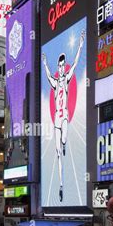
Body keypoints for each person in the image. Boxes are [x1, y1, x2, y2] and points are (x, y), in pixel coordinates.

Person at [42, 30, 85, 202]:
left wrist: (80, 46)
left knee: (65, 140)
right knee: (58, 152)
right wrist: (45, 63)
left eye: (62, 66)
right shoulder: (54, 81)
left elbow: (75, 63)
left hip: (64, 116)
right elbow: (46, 75)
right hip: (56, 121)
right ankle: (60, 185)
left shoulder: (66, 79)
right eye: (58, 66)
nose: (60, 69)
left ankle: (65, 144)